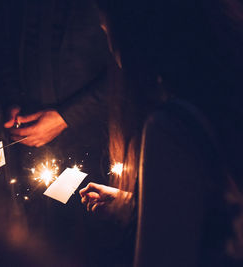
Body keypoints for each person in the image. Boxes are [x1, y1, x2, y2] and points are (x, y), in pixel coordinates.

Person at [80, 0, 243, 266]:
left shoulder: (173, 129)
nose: (110, 49)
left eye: (106, 30)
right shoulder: (226, 91)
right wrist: (135, 205)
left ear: (134, 32)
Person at [0, 0, 122, 264]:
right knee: (41, 240)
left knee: (90, 242)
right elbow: (3, 42)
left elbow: (128, 66)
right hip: (29, 145)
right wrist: (11, 101)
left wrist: (65, 117)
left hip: (94, 142)